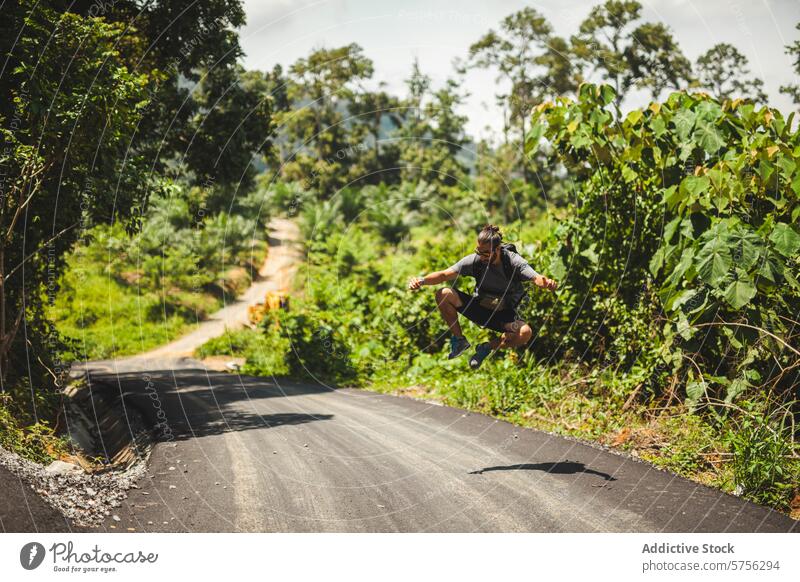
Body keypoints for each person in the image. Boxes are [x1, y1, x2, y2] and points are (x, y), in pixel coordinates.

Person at [407, 224, 558, 369]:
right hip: (480, 308)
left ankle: (486, 348)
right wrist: (422, 280)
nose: (481, 256)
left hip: (505, 315)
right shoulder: (475, 261)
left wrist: (545, 283)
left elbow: (535, 277)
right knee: (443, 294)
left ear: (497, 249)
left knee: (525, 333)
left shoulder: (513, 261)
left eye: (486, 253)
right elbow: (444, 274)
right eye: (479, 251)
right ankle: (459, 341)